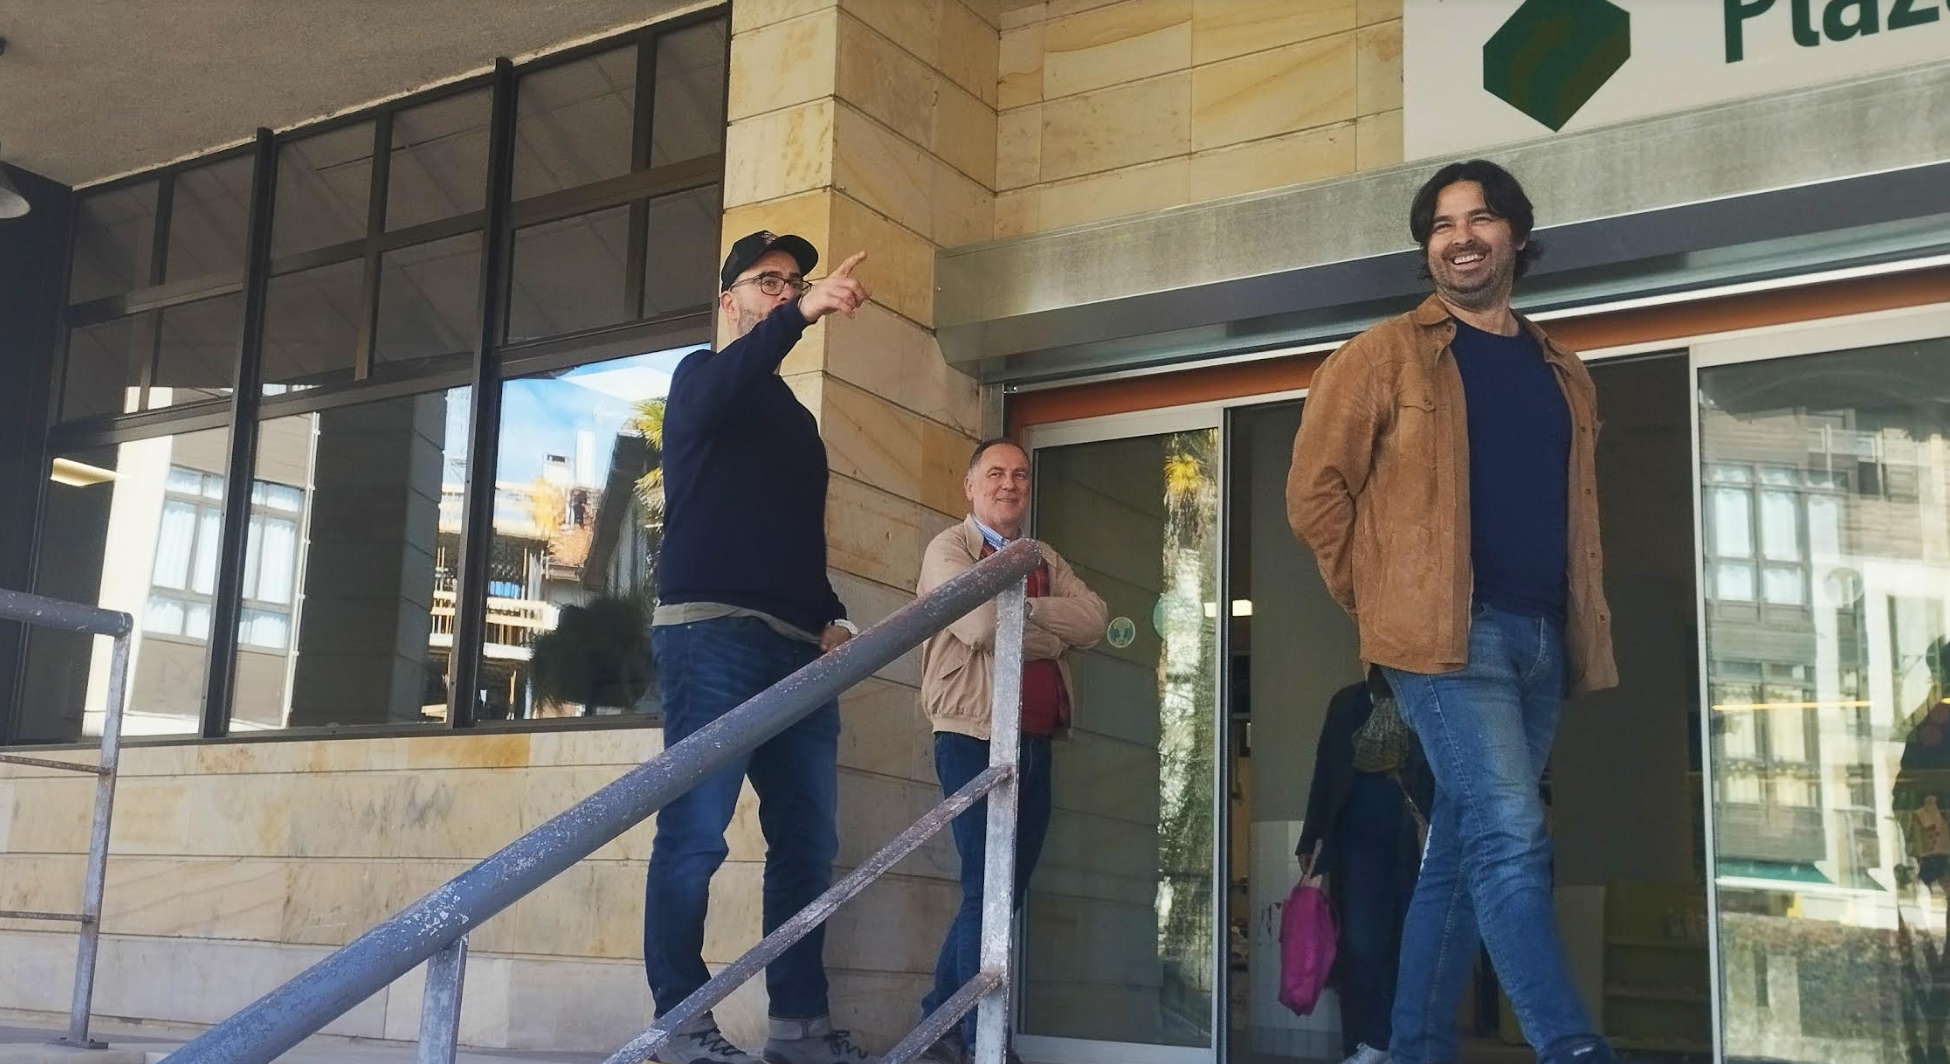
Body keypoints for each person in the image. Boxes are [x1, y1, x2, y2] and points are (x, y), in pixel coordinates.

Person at [1286, 159, 1620, 1064]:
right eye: (1440, 225)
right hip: (1443, 638)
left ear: (1515, 234)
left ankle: (1413, 1047)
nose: (1459, 237)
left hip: (1542, 635)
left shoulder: (1564, 368)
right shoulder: (1382, 353)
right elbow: (1315, 494)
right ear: (1426, 247)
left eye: (1478, 219)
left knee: (1464, 846)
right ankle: (1571, 1045)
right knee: (1513, 835)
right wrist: (1383, 597)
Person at [644, 230, 877, 1064]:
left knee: (808, 844)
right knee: (698, 835)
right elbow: (733, 379)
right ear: (729, 299)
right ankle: (681, 1025)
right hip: (711, 636)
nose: (785, 290)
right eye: (767, 280)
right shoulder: (699, 379)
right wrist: (805, 315)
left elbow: (791, 540)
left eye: (795, 281)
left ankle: (799, 1029)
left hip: (795, 648)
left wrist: (831, 614)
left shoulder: (796, 422)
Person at [914, 439, 1107, 1064]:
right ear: (969, 485)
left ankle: (938, 1027)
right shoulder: (948, 550)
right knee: (984, 888)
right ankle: (977, 1040)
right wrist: (1051, 634)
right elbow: (979, 628)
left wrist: (1023, 612)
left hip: (1036, 739)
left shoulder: (1041, 555)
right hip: (973, 737)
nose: (1009, 484)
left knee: (1007, 890)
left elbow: (1097, 619)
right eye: (995, 473)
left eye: (1020, 474)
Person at [1296, 679, 1433, 1064]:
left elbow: (1434, 773)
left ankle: (1396, 1043)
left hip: (1411, 842)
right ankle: (1371, 1040)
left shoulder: (1420, 699)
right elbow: (1325, 772)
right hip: (1356, 845)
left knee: (1406, 947)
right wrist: (1310, 838)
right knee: (1361, 947)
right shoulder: (1347, 704)